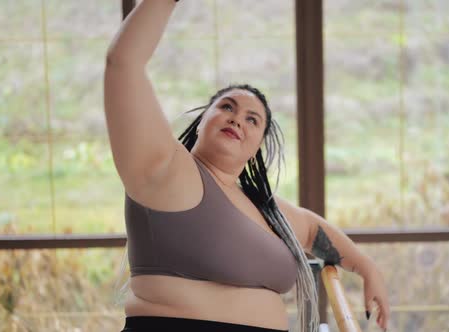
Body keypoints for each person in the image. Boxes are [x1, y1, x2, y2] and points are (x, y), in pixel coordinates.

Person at [103, 1, 390, 331]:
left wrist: (367, 268)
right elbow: (123, 63)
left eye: (252, 120)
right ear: (201, 122)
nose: (237, 119)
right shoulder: (165, 169)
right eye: (227, 107)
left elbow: (312, 230)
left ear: (256, 148)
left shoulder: (266, 211)